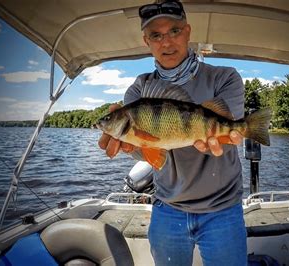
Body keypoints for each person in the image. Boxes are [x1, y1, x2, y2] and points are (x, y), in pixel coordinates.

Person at [98, 0, 247, 265]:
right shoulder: (138, 90)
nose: (166, 42)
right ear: (147, 41)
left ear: (188, 31)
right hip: (168, 210)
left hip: (223, 209)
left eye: (174, 31)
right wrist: (131, 147)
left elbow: (227, 133)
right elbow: (147, 153)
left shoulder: (225, 78)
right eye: (156, 35)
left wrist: (230, 133)